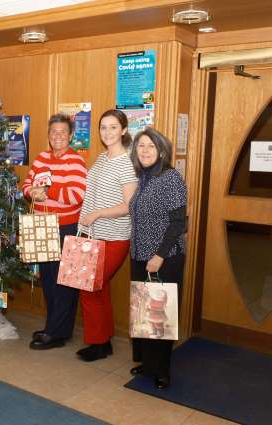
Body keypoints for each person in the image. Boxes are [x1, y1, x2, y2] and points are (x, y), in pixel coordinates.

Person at [76, 110, 137, 362]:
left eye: (113, 127)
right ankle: (105, 336)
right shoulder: (102, 158)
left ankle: (99, 343)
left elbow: (129, 205)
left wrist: (98, 214)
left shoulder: (127, 162)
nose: (107, 132)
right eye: (103, 127)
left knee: (89, 288)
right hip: (92, 234)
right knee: (99, 288)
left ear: (123, 130)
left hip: (114, 236)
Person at [128, 127, 187, 389]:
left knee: (159, 316)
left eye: (151, 146)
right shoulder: (142, 178)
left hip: (164, 258)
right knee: (143, 314)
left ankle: (162, 370)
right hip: (140, 254)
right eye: (141, 146)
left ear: (161, 150)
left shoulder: (170, 178)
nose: (145, 151)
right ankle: (148, 364)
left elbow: (178, 223)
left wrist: (160, 256)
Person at [22, 113, 87, 350]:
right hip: (41, 225)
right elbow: (27, 185)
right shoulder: (40, 158)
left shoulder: (76, 161)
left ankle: (56, 333)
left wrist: (48, 190)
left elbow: (77, 195)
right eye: (53, 132)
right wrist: (32, 192)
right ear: (49, 135)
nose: (57, 136)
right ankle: (55, 326)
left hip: (65, 227)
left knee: (63, 282)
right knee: (48, 280)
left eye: (62, 132)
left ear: (70, 135)